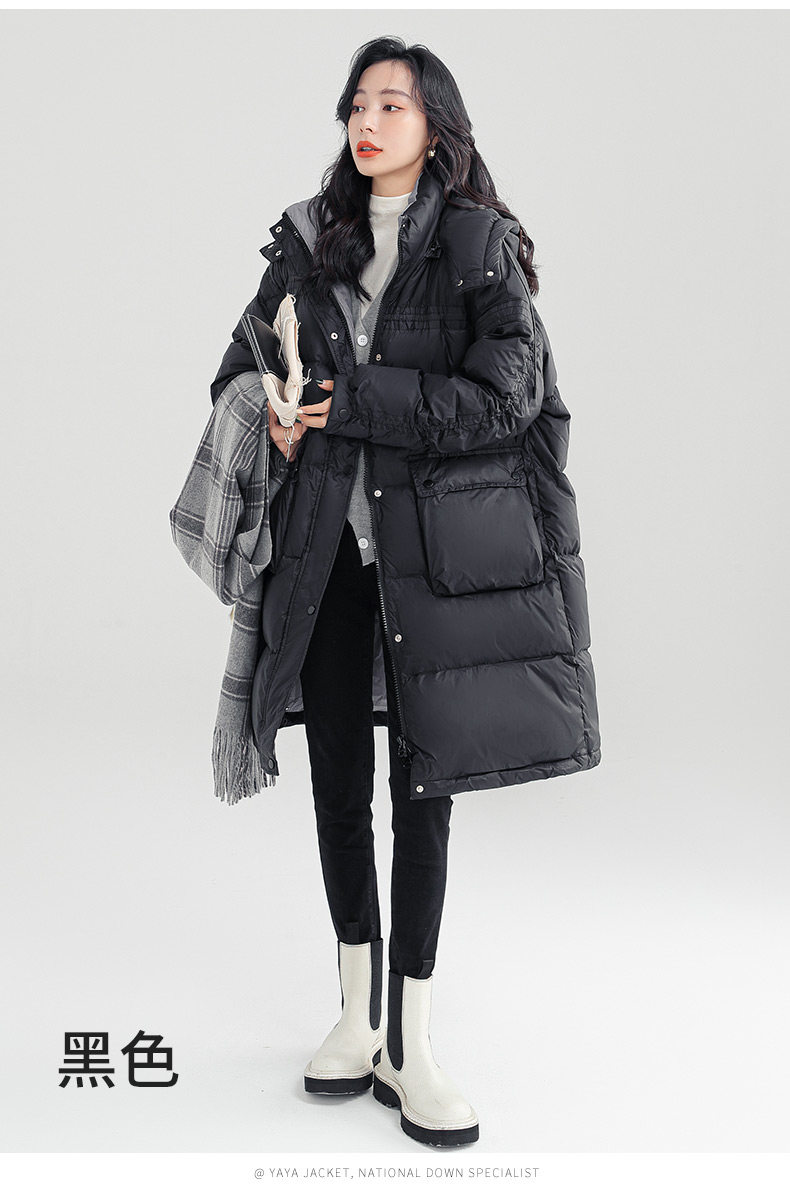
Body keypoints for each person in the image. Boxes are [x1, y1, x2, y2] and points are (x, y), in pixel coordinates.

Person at [209, 37, 601, 1148]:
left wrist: (353, 400)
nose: (368, 121)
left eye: (393, 103)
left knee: (423, 786)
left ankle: (411, 1041)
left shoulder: (476, 245)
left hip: (432, 560)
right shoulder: (307, 241)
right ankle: (354, 1015)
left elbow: (507, 396)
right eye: (356, 104)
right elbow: (237, 365)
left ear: (437, 125)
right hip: (326, 554)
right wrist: (271, 409)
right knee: (337, 776)